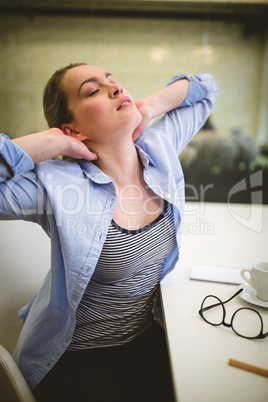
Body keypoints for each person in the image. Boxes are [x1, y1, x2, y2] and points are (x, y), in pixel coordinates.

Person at [0, 63, 219, 401]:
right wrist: (51, 140)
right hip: (77, 358)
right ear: (72, 129)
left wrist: (150, 106)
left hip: (142, 340)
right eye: (93, 90)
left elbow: (206, 88)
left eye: (113, 80)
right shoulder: (56, 185)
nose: (115, 88)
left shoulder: (159, 146)